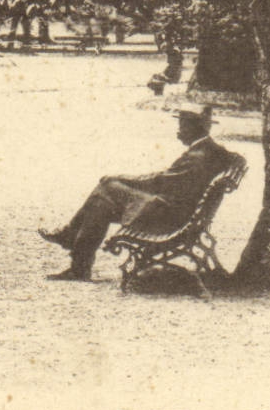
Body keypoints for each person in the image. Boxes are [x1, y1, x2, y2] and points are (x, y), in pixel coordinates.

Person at [39, 106, 235, 281]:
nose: (179, 131)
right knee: (100, 204)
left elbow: (160, 182)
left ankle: (75, 255)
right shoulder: (212, 150)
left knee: (106, 187)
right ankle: (75, 254)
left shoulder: (197, 157)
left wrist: (123, 179)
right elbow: (168, 179)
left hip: (167, 216)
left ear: (195, 128)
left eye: (182, 127)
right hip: (180, 212)